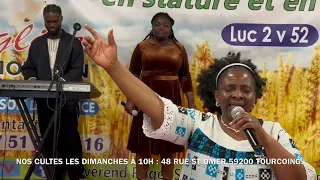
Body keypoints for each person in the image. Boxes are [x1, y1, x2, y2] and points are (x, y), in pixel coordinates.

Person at [81, 25, 316, 180]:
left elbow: (299, 177)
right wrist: (113, 67)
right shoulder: (199, 124)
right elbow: (155, 105)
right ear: (216, 96)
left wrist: (263, 138)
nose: (237, 95)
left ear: (255, 97)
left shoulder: (273, 132)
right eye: (229, 89)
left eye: (246, 90)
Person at [124, 12, 196, 180]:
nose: (161, 28)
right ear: (152, 26)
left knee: (168, 145)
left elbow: (185, 76)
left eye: (165, 25)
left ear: (171, 28)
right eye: (157, 24)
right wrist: (130, 100)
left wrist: (191, 103)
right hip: (145, 95)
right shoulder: (142, 46)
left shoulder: (179, 48)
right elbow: (132, 75)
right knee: (143, 146)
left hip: (171, 98)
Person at [21, 4, 86, 180]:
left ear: (61, 20)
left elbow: (77, 68)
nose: (51, 25)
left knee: (70, 139)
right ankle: (54, 175)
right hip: (44, 101)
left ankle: (76, 175)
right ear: (44, 20)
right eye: (48, 21)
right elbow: (28, 67)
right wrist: (33, 80)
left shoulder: (73, 42)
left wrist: (61, 83)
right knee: (48, 141)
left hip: (66, 100)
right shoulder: (37, 44)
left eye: (55, 21)